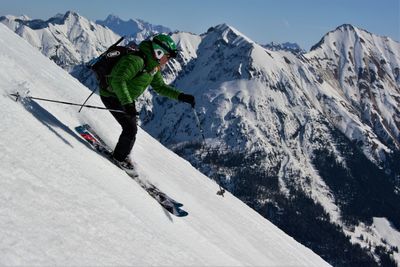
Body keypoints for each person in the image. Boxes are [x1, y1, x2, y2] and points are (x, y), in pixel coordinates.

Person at [99, 34, 195, 170]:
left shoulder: (153, 67)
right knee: (130, 129)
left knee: (131, 129)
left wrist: (182, 96)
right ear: (158, 52)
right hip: (111, 95)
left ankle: (122, 155)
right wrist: (127, 103)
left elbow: (160, 87)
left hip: (124, 99)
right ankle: (118, 159)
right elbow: (117, 80)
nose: (167, 61)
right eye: (167, 57)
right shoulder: (136, 61)